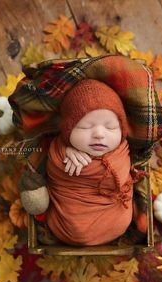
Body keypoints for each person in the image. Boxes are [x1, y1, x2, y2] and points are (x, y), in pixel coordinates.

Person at [44, 79, 134, 246]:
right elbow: (52, 170)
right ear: (67, 131)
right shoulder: (60, 148)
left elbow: (121, 178)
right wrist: (65, 151)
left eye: (110, 127)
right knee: (75, 225)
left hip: (114, 218)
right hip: (71, 220)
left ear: (122, 131)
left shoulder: (121, 151)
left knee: (121, 214)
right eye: (85, 127)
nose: (99, 134)